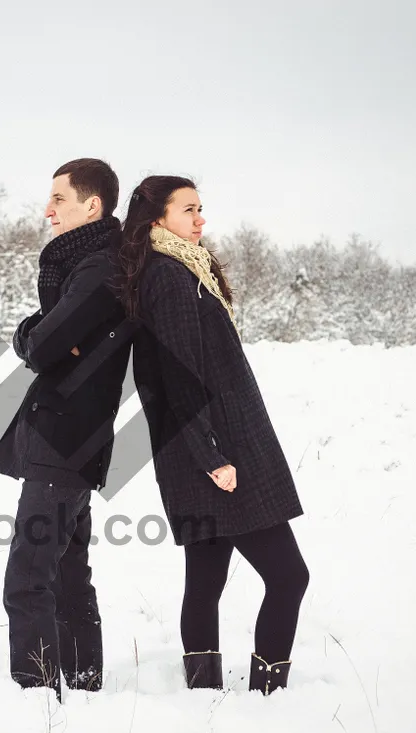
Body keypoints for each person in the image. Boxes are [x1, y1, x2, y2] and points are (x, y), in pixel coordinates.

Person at [118, 175, 310, 695]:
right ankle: (268, 696)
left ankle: (202, 695)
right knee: (289, 577)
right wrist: (211, 456)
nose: (201, 218)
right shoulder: (170, 278)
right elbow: (178, 375)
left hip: (206, 450)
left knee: (205, 580)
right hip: (220, 454)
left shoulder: (180, 270)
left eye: (201, 208)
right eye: (188, 210)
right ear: (158, 218)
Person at [0, 158, 132, 700]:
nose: (48, 210)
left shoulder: (98, 269)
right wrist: (41, 334)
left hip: (66, 439)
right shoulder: (92, 265)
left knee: (29, 577)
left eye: (59, 200)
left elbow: (44, 346)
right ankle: (84, 680)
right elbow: (49, 340)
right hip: (73, 439)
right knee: (69, 571)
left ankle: (36, 693)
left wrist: (30, 333)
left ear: (92, 206)